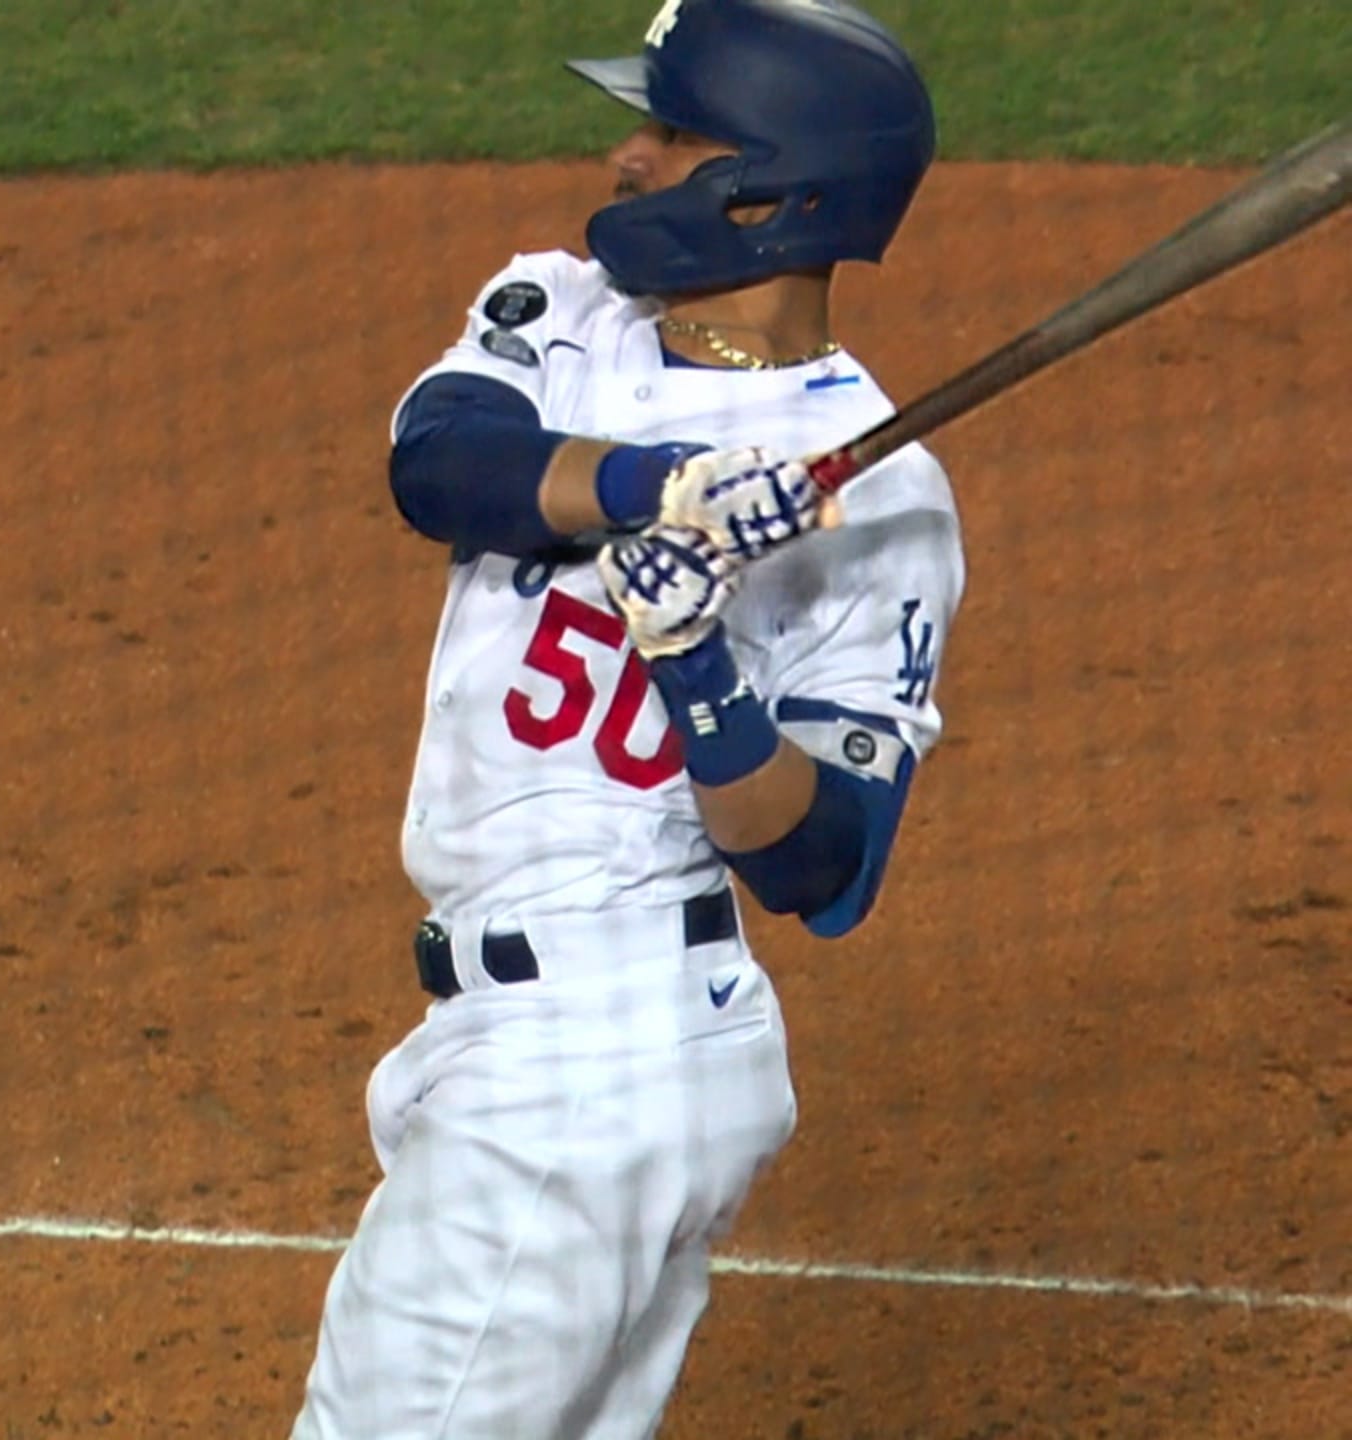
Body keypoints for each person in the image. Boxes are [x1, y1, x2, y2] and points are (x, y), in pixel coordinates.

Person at [288, 1, 965, 1436]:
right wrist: (657, 487)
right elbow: (441, 465)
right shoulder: (566, 312)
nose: (627, 151)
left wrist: (695, 659)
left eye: (672, 133)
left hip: (590, 1075)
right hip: (556, 1058)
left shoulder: (886, 506)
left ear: (770, 192)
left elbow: (824, 869)